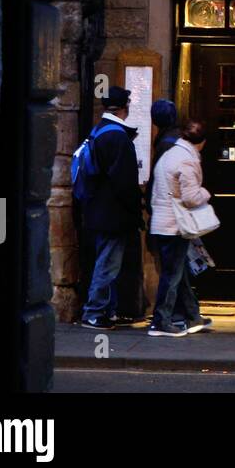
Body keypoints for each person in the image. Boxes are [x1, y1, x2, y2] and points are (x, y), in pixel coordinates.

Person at [80, 86, 144, 330]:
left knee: (106, 261)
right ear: (124, 108)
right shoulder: (117, 137)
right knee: (108, 264)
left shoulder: (98, 131)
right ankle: (94, 312)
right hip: (113, 214)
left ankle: (107, 309)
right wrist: (135, 212)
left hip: (98, 210)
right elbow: (124, 182)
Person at [147, 120, 215, 337]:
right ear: (201, 142)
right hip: (174, 225)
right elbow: (191, 197)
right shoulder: (187, 160)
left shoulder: (170, 154)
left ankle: (192, 315)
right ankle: (160, 321)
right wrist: (206, 193)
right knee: (172, 274)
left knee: (178, 272)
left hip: (163, 221)